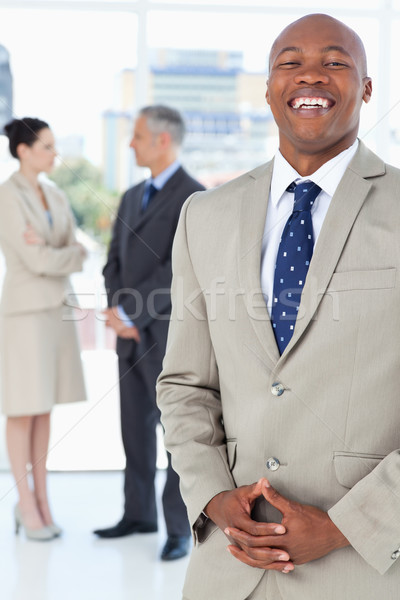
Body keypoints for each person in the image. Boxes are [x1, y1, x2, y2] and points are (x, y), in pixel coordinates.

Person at [157, 13, 400, 599]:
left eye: (335, 62)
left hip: (367, 569)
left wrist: (348, 526)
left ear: (367, 88)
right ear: (268, 88)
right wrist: (213, 496)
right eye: (290, 63)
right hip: (229, 568)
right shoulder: (204, 216)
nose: (310, 76)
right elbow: (186, 384)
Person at [94, 105, 205, 561]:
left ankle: (179, 529)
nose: (130, 143)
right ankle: (138, 513)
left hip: (166, 336)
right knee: (133, 429)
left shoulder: (195, 197)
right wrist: (117, 310)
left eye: (137, 136)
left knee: (176, 435)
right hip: (130, 334)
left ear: (163, 140)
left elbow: (179, 269)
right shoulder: (130, 195)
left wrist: (133, 313)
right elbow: (112, 261)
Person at [0, 117, 87, 541]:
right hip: (25, 315)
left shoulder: (54, 194)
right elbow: (36, 261)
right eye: (48, 147)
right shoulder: (7, 195)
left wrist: (61, 253)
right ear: (23, 150)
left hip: (55, 310)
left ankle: (43, 500)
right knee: (22, 409)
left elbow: (79, 248)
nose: (55, 154)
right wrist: (63, 255)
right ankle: (26, 503)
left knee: (44, 409)